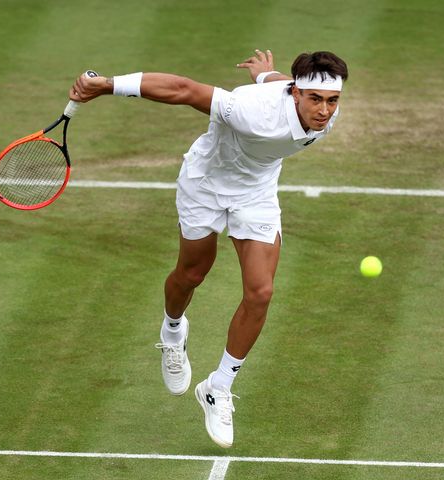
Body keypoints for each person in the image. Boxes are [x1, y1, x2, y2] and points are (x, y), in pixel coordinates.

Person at [70, 49, 348, 448]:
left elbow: (278, 82)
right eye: (315, 100)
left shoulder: (308, 99)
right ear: (296, 95)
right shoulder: (249, 112)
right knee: (192, 273)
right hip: (205, 184)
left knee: (261, 291)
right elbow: (183, 90)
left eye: (332, 101)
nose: (324, 111)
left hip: (255, 193)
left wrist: (264, 73)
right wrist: (108, 86)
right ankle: (171, 332)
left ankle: (218, 386)